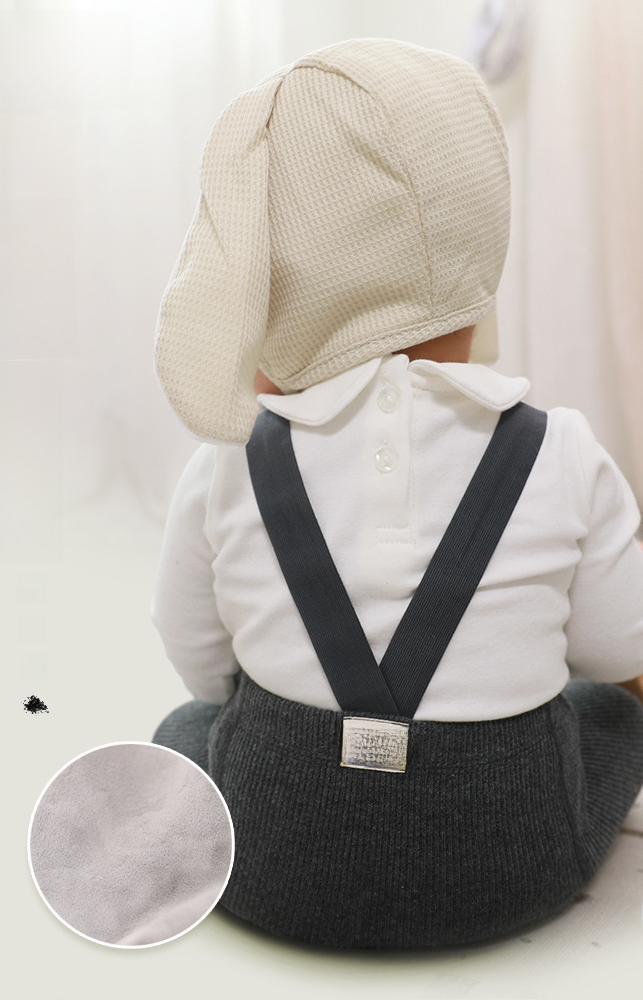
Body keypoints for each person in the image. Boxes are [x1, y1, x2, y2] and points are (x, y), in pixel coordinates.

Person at [150, 38, 643, 948]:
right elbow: (621, 644)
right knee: (612, 715)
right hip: (517, 866)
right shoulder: (560, 449)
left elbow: (194, 648)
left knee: (189, 722)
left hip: (268, 863)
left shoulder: (231, 455)